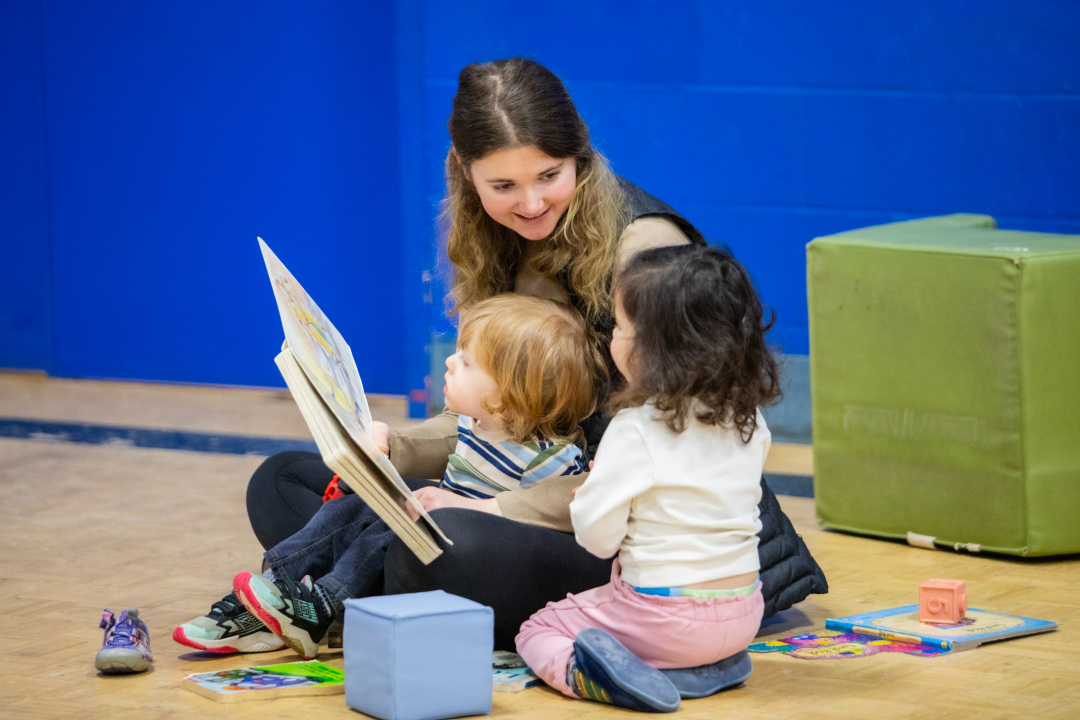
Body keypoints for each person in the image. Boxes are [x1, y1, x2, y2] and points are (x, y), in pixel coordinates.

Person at [243, 57, 827, 652]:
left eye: (549, 175)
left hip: (637, 543)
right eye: (503, 186)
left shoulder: (648, 254)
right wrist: (394, 449)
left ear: (581, 157)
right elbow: (500, 409)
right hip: (531, 492)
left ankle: (356, 590)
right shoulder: (501, 241)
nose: (529, 203)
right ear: (465, 174)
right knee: (283, 481)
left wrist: (490, 507)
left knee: (442, 540)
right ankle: (372, 590)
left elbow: (649, 464)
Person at [174, 294, 601, 658]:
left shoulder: (551, 457)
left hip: (467, 550)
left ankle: (325, 604)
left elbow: (559, 518)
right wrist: (385, 444)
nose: (451, 362)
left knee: (402, 513)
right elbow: (439, 443)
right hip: (428, 525)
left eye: (467, 362)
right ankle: (278, 586)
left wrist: (472, 507)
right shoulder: (475, 423)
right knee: (338, 493)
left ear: (509, 392)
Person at [516, 245, 775, 712]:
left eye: (618, 327)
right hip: (745, 612)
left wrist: (591, 495)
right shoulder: (750, 419)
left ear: (654, 351)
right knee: (647, 615)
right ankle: (710, 668)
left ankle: (592, 679)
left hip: (665, 619)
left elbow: (597, 539)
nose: (611, 336)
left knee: (540, 627)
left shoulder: (636, 429)